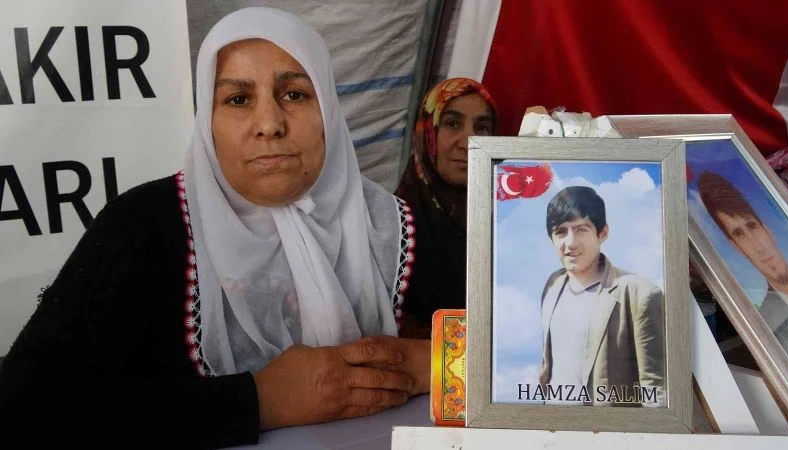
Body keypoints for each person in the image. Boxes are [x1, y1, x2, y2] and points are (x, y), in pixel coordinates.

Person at [0, 8, 430, 448]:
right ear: (207, 121)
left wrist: (423, 362)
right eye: (238, 99)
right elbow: (24, 406)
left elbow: (476, 347)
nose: (270, 125)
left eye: (295, 94)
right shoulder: (143, 226)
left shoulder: (390, 225)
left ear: (329, 111)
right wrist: (261, 401)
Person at [538, 186, 665, 406]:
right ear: (551, 238)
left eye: (581, 229)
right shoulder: (553, 285)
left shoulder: (639, 293)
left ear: (602, 233)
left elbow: (656, 391)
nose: (571, 243)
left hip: (604, 425)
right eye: (561, 232)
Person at [395, 78, 498, 338]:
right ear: (427, 133)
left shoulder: (505, 219)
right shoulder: (394, 223)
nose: (469, 142)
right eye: (452, 124)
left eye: (482, 127)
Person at [698, 171, 788, 366]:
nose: (759, 247)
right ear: (737, 247)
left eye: (752, 226)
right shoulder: (764, 324)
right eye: (740, 234)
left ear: (767, 230)